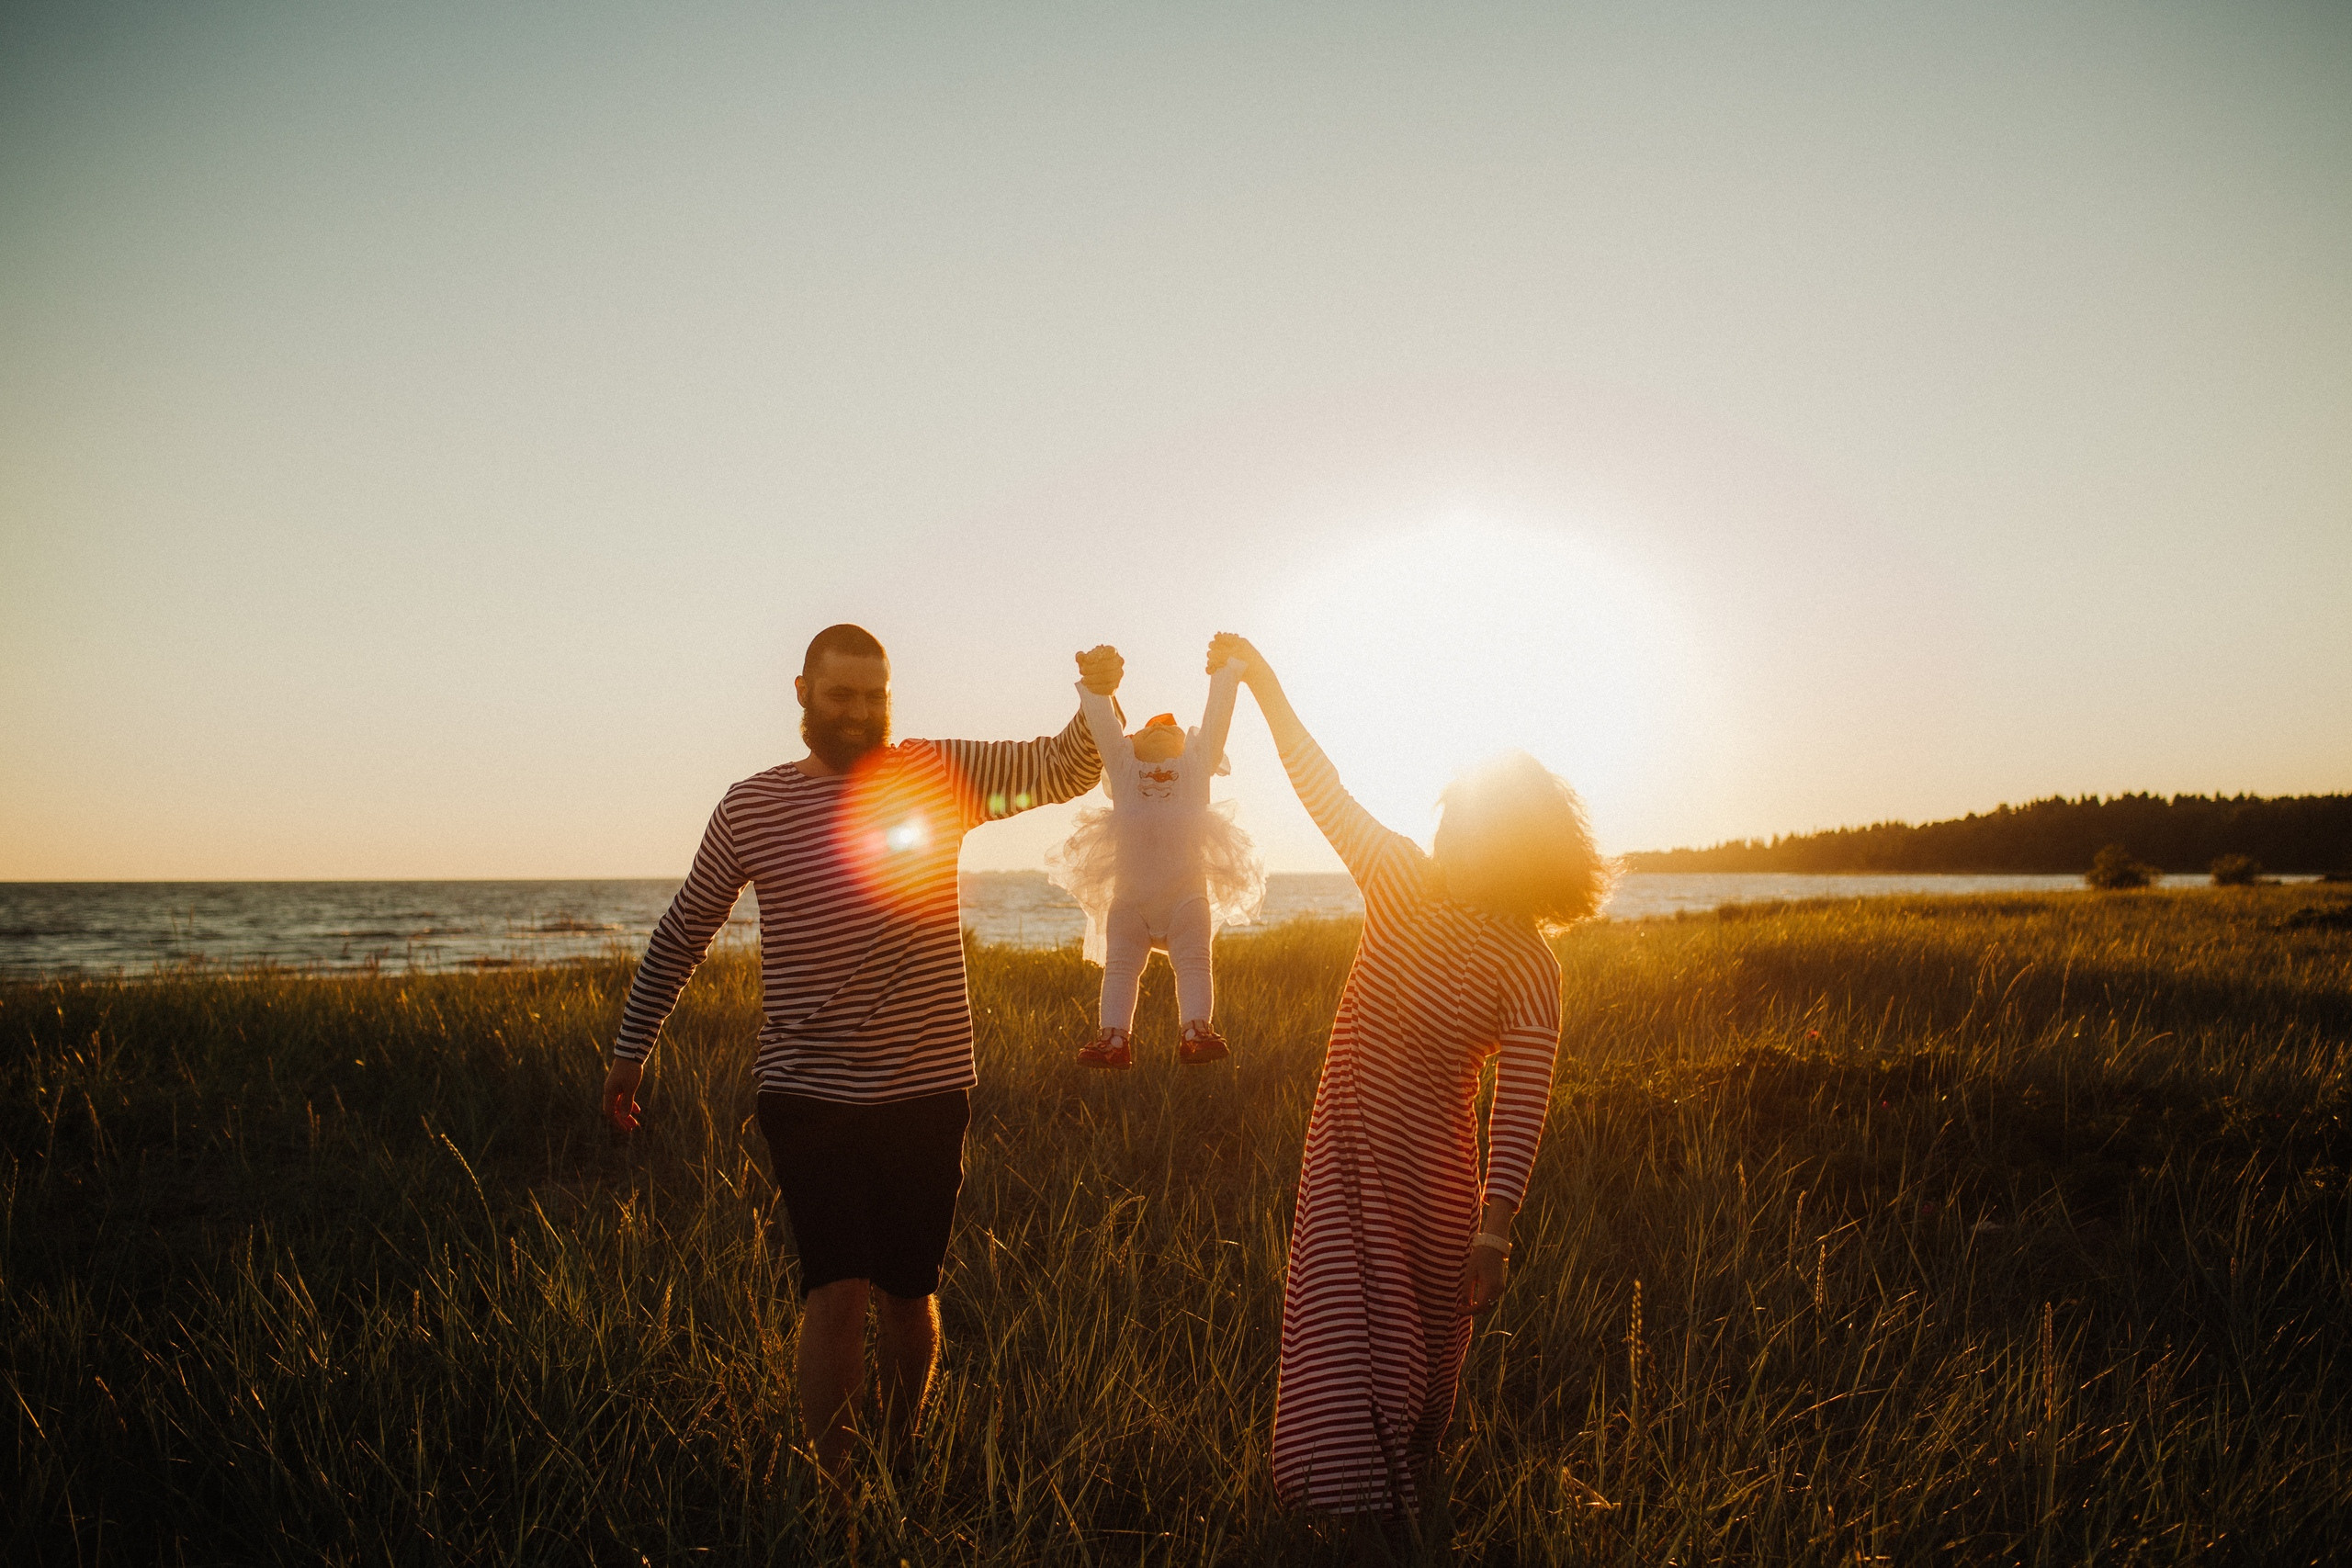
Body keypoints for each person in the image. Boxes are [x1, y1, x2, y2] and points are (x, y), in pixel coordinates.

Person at [600, 624, 1122, 1484]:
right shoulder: (752, 805)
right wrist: (631, 1051)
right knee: (836, 1290)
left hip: (927, 1084)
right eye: (842, 695)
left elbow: (1067, 766)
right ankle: (836, 1491)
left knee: (909, 1294)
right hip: (808, 1089)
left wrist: (1096, 694)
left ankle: (899, 1455)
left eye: (876, 695)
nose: (861, 712)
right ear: (801, 692)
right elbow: (685, 930)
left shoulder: (937, 774)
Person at [1205, 631, 1606, 1537]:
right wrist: (1265, 683)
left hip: (1430, 1184)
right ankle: (1328, 1513)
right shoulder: (1395, 880)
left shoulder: (1528, 963)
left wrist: (1492, 1228)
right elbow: (1321, 784)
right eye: (1448, 813)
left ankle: (1394, 1513)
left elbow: (1521, 1102)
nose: (1446, 830)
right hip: (1344, 1162)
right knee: (1339, 1340)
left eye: (1468, 820)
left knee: (1418, 1365)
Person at [1045, 650, 1266, 1069]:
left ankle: (1196, 1030)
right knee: (1120, 967)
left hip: (1186, 899)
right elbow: (1106, 727)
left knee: (1196, 961)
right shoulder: (1124, 769)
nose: (1162, 732)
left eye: (1172, 731)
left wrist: (1226, 672)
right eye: (1150, 732)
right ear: (1131, 747)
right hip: (1131, 902)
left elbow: (1216, 721)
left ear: (1188, 744)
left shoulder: (1195, 765)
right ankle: (1114, 1039)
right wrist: (1096, 689)